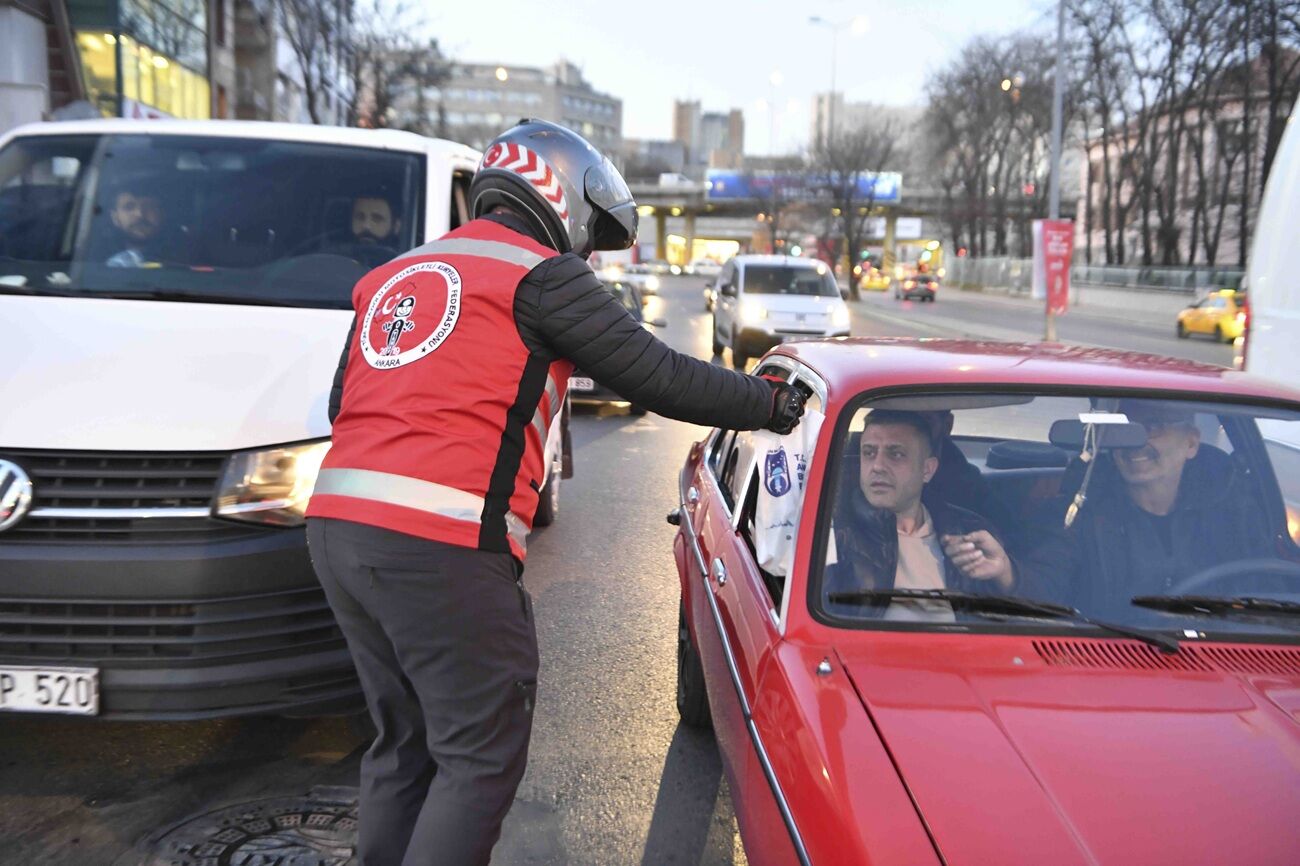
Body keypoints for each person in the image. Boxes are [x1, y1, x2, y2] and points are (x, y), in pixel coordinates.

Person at [304, 119, 804, 866]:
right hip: (442, 547)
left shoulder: (397, 274)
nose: (589, 252)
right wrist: (769, 404)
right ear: (561, 194)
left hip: (336, 534)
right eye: (590, 234)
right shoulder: (540, 274)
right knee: (479, 756)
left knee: (402, 742)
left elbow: (344, 401)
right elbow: (656, 373)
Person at [1040, 400, 1273, 612]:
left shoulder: (1234, 514)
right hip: (1109, 648)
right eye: (1126, 429)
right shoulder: (1081, 512)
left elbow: (1266, 589)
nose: (1135, 442)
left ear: (1191, 443)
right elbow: (1045, 580)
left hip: (1221, 646)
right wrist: (1009, 574)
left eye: (1153, 426)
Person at [827, 409, 1018, 621]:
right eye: (869, 452)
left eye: (896, 454)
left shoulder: (967, 530)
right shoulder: (832, 533)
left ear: (927, 470)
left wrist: (1006, 574)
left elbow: (1022, 619)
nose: (877, 466)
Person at [330, 193, 404, 267]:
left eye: (377, 219)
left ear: (396, 226)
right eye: (360, 217)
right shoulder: (332, 259)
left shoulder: (403, 267)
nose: (366, 226)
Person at [105, 183, 164, 267]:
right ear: (115, 218)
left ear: (161, 214)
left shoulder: (185, 256)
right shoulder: (97, 263)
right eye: (129, 207)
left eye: (148, 206)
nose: (139, 214)